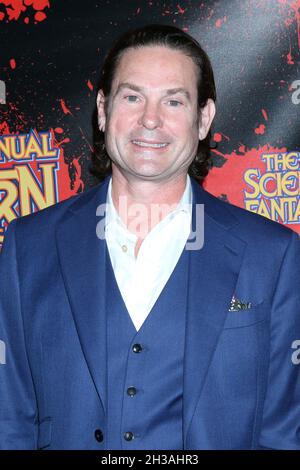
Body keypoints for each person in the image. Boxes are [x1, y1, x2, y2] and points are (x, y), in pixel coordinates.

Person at [0, 24, 299, 450]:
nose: (150, 119)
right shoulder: (28, 246)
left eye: (173, 101)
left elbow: (283, 432)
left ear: (203, 119)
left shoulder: (273, 255)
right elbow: (8, 418)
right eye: (132, 96)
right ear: (103, 110)